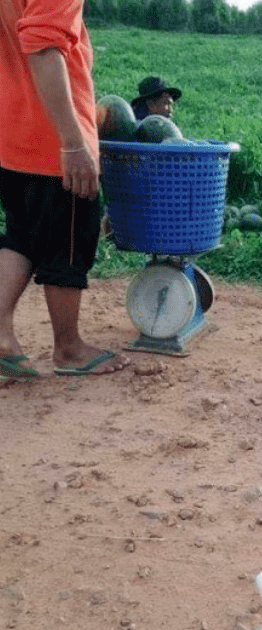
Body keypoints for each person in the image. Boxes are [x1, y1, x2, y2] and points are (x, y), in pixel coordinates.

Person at [0, 0, 129, 379]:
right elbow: (42, 49)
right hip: (51, 144)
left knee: (23, 237)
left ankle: (2, 335)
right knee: (69, 242)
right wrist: (72, 143)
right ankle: (69, 348)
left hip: (12, 136)